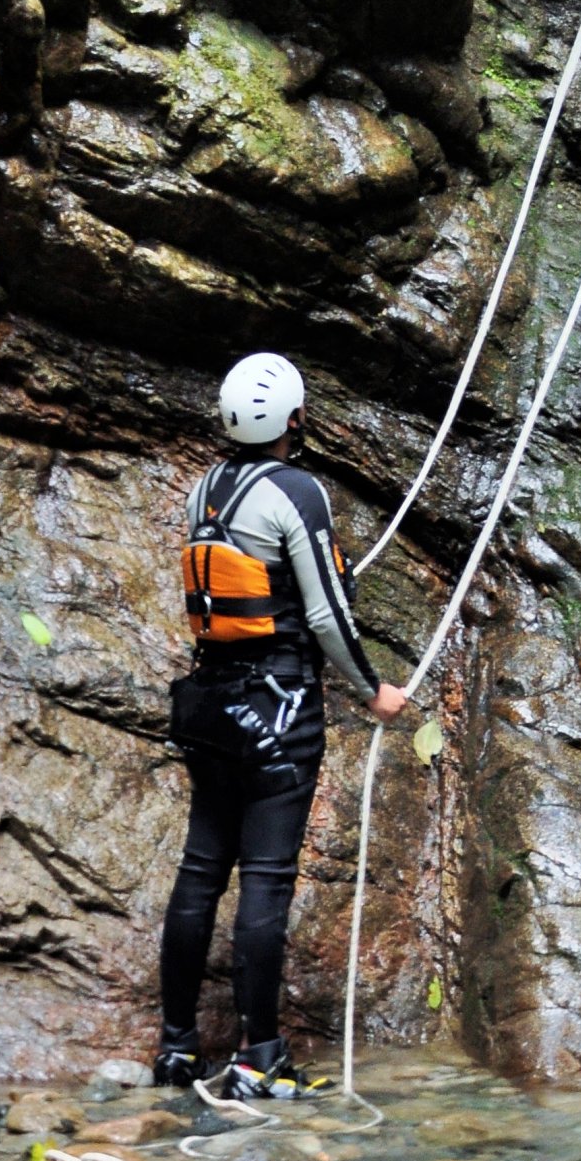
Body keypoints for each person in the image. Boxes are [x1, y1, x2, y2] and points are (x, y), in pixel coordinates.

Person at [154, 352, 407, 1100]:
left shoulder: (206, 487)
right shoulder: (298, 490)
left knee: (201, 871)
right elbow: (327, 612)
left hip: (208, 706)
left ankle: (176, 1049)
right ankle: (258, 1054)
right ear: (294, 420)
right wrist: (371, 690)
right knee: (264, 878)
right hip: (279, 710)